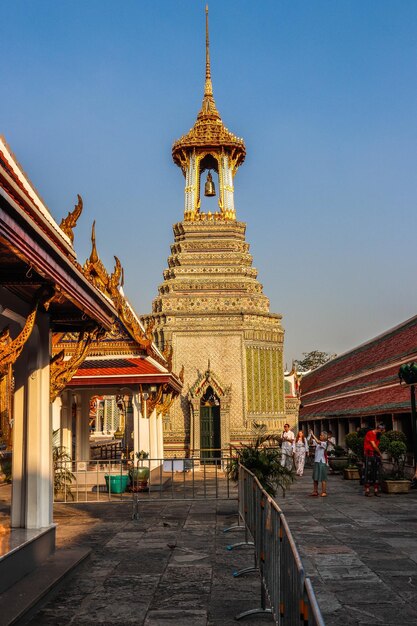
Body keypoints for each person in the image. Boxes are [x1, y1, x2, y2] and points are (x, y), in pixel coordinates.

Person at [363, 423, 385, 496]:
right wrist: (380, 454)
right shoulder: (370, 433)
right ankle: (367, 490)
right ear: (378, 429)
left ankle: (376, 490)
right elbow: (374, 445)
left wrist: (378, 454)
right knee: (368, 472)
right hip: (369, 454)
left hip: (375, 455)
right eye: (382, 431)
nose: (382, 432)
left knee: (377, 472)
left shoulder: (378, 435)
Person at [309, 430, 328, 497]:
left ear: (324, 437)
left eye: (321, 435)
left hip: (321, 461)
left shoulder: (324, 443)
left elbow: (317, 441)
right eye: (320, 435)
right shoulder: (318, 443)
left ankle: (324, 491)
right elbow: (311, 442)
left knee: (323, 477)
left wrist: (313, 434)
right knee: (315, 477)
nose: (320, 436)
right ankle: (315, 491)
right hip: (316, 461)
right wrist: (311, 436)